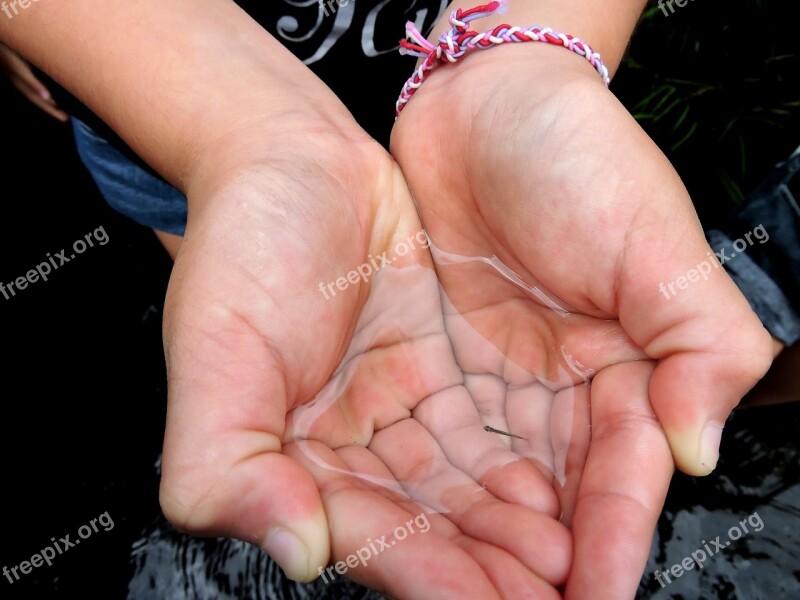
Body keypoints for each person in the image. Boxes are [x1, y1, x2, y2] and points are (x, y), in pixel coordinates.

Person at [0, 1, 781, 597]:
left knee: (260, 289)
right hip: (167, 112)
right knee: (235, 268)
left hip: (441, 54)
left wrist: (524, 54)